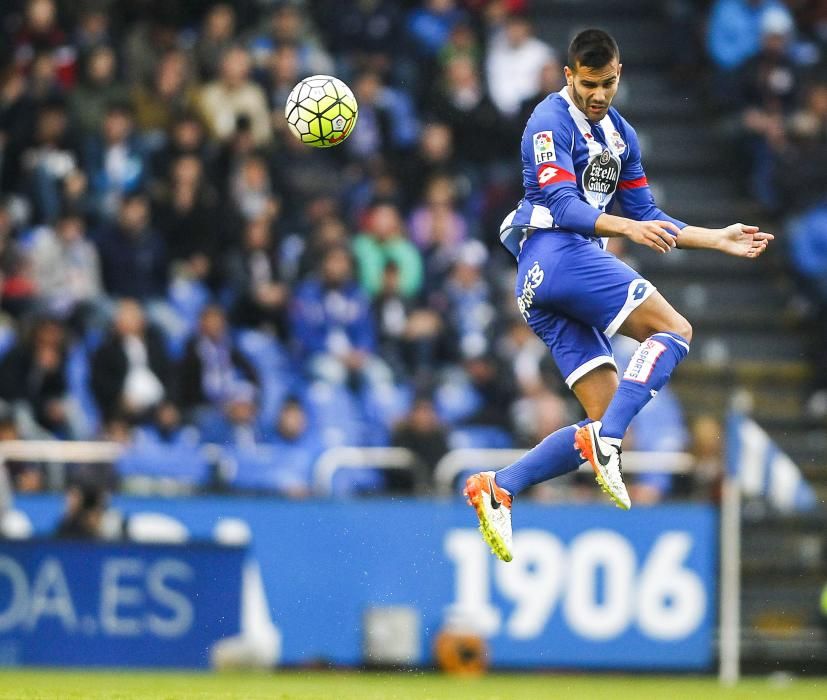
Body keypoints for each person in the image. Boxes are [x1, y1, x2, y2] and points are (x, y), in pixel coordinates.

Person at [463, 29, 774, 562]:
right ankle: (605, 442)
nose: (599, 94)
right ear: (569, 76)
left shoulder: (621, 135)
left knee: (604, 422)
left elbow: (648, 213)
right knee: (675, 329)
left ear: (619, 74)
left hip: (548, 284)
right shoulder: (549, 120)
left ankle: (500, 486)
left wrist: (715, 238)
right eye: (589, 84)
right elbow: (562, 205)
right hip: (557, 254)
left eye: (607, 83)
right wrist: (623, 231)